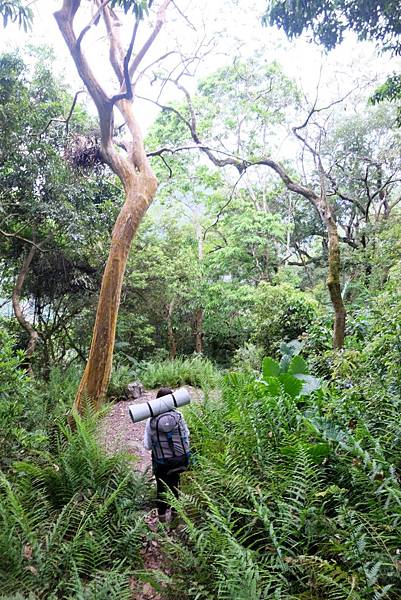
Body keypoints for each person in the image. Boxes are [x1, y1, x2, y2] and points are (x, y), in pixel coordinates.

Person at [143, 387, 190, 522]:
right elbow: (186, 435)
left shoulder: (151, 420)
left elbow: (147, 445)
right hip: (179, 459)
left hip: (162, 462)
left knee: (161, 488)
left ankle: (163, 523)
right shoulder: (178, 416)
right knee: (175, 485)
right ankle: (175, 521)